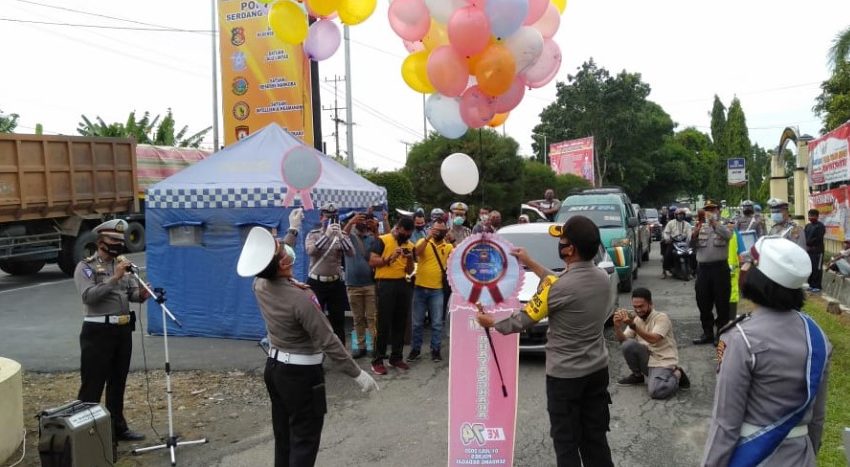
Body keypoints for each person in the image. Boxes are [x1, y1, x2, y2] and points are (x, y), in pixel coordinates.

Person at [476, 216, 614, 467]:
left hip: (565, 378)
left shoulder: (560, 289)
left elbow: (522, 320)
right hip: (597, 371)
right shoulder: (601, 277)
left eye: (562, 240)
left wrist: (492, 323)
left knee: (566, 442)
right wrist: (531, 263)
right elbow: (560, 283)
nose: (559, 244)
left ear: (570, 249)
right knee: (595, 438)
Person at [237, 228, 379, 467]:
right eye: (283, 247)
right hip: (301, 377)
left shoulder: (260, 284)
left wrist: (292, 231)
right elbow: (328, 340)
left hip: (275, 369)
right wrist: (357, 373)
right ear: (284, 262)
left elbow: (268, 261)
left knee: (284, 438)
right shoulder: (301, 298)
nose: (286, 245)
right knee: (304, 441)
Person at [702, 237, 831, 467]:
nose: (743, 268)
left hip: (753, 457)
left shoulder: (740, 338)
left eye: (748, 263)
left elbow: (725, 424)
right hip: (801, 457)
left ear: (759, 278)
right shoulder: (817, 336)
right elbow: (817, 419)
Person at [74, 219, 149, 442]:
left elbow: (131, 294)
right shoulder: (86, 267)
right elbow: (89, 296)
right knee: (93, 383)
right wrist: (114, 277)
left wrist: (143, 294)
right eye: (112, 240)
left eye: (119, 240)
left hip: (123, 329)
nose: (117, 244)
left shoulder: (123, 265)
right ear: (100, 242)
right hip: (98, 331)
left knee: (118, 381)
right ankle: (86, 433)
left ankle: (117, 427)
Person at [613, 288, 690, 399]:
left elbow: (654, 339)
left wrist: (633, 326)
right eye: (635, 307)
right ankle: (637, 376)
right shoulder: (636, 319)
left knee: (656, 392)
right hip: (648, 359)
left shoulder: (661, 318)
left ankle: (677, 375)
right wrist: (617, 326)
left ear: (650, 304)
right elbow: (622, 340)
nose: (638, 310)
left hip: (662, 361)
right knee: (627, 344)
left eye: (641, 306)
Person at [368, 216, 416, 375]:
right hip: (385, 283)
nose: (407, 235)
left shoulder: (410, 245)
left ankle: (396, 357)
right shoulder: (383, 240)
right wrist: (390, 258)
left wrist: (409, 259)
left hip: (403, 283)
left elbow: (409, 271)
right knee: (383, 323)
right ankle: (377, 360)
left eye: (410, 233)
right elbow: (372, 262)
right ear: (399, 228)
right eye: (405, 232)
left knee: (400, 322)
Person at [305, 203, 354, 347]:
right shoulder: (313, 234)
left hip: (335, 283)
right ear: (321, 218)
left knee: (338, 321)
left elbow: (351, 253)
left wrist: (341, 236)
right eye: (327, 217)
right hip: (316, 283)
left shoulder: (341, 235)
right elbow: (311, 251)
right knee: (315, 320)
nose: (331, 221)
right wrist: (326, 235)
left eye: (333, 217)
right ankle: (315, 355)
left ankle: (341, 356)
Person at [409, 218, 453, 362]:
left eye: (440, 230)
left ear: (445, 231)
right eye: (435, 229)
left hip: (437, 290)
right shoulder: (423, 241)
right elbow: (416, 254)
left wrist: (453, 240)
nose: (437, 232)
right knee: (417, 323)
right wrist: (428, 237)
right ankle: (415, 350)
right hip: (420, 288)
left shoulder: (448, 247)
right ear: (430, 229)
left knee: (436, 323)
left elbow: (456, 260)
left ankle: (436, 350)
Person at [691, 199, 732, 345]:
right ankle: (707, 333)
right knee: (703, 302)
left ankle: (721, 334)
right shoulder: (699, 225)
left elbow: (728, 236)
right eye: (707, 209)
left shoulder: (725, 224)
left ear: (718, 210)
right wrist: (694, 233)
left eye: (713, 209)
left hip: (720, 268)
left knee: (722, 303)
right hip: (703, 269)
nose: (710, 212)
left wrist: (715, 224)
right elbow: (691, 246)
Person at [343, 210, 380, 358]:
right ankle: (359, 346)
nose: (362, 222)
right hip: (352, 284)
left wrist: (375, 229)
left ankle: (372, 346)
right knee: (357, 318)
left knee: (371, 317)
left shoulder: (371, 238)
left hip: (370, 283)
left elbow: (382, 245)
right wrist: (351, 222)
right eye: (360, 220)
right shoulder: (349, 237)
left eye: (365, 220)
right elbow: (341, 237)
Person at [661, 207, 693, 278]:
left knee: (692, 254)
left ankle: (692, 271)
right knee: (667, 254)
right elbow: (666, 232)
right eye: (679, 214)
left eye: (682, 214)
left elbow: (689, 233)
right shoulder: (671, 223)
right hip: (673, 242)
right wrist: (667, 239)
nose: (680, 216)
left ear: (684, 215)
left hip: (684, 242)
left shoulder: (687, 224)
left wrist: (689, 240)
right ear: (676, 215)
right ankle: (665, 270)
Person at [805, 209, 825, 292]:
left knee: (817, 268)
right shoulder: (807, 226)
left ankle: (817, 286)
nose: (810, 217)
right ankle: (811, 284)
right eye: (809, 216)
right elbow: (804, 236)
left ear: (817, 216)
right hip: (809, 251)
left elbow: (818, 238)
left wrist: (809, 243)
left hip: (818, 251)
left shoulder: (820, 226)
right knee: (810, 268)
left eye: (812, 216)